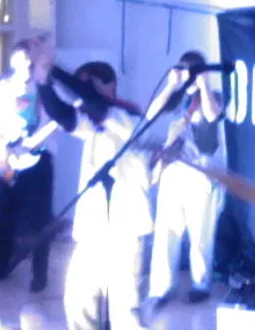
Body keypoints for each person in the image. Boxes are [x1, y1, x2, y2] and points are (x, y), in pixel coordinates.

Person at [29, 43, 152, 330]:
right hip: (94, 228)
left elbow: (91, 101)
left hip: (127, 229)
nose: (80, 96)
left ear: (107, 86)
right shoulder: (93, 119)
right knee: (79, 302)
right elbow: (62, 114)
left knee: (126, 313)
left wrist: (55, 70)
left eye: (87, 88)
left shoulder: (131, 117)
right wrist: (44, 81)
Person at [139, 50, 226, 326]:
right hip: (173, 171)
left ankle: (201, 284)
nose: (188, 74)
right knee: (167, 230)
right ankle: (161, 287)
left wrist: (204, 84)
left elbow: (213, 116)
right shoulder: (176, 98)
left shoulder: (212, 95)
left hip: (201, 172)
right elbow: (151, 114)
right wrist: (171, 85)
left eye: (191, 70)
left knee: (200, 233)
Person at [0, 40, 55, 293]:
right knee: (5, 216)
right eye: (22, 60)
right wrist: (2, 150)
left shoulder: (44, 87)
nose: (26, 65)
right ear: (13, 62)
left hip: (38, 161)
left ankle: (40, 274)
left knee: (40, 219)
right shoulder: (2, 89)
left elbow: (54, 121)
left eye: (30, 60)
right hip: (9, 161)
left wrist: (34, 143)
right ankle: (1, 266)